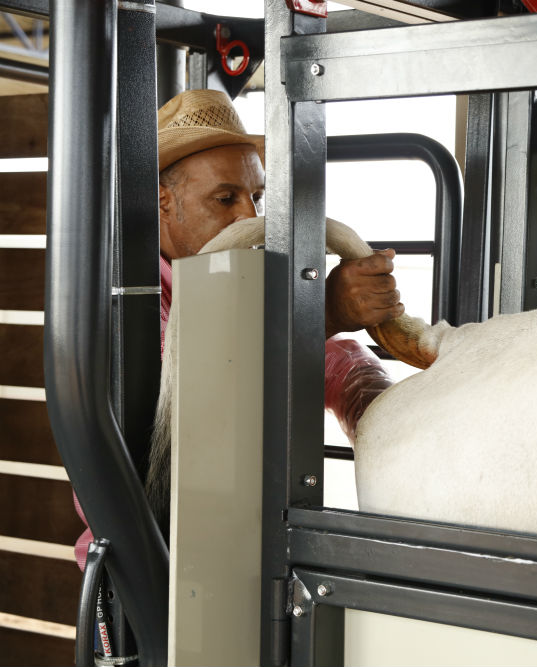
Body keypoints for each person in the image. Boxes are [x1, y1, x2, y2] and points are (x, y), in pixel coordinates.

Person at [74, 88, 398, 566]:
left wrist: (385, 412)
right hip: (147, 569)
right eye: (225, 198)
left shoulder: (235, 281)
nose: (249, 216)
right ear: (162, 202)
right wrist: (322, 315)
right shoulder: (126, 304)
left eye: (257, 197)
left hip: (237, 552)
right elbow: (192, 403)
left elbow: (333, 358)